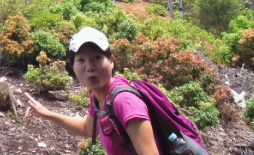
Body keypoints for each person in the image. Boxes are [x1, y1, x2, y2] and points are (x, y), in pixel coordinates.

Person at [24, 27, 160, 155]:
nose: (90, 67)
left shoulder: (124, 101)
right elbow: (87, 128)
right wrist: (46, 114)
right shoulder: (99, 96)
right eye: (81, 60)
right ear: (73, 67)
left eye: (97, 58)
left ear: (111, 61)